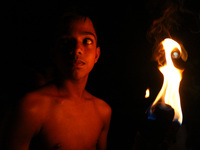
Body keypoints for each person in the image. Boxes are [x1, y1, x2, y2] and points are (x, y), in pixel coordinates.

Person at [2, 9, 112, 150]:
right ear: (53, 52)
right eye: (66, 41)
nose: (77, 49)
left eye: (87, 41)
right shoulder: (31, 108)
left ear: (97, 55)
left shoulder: (103, 111)